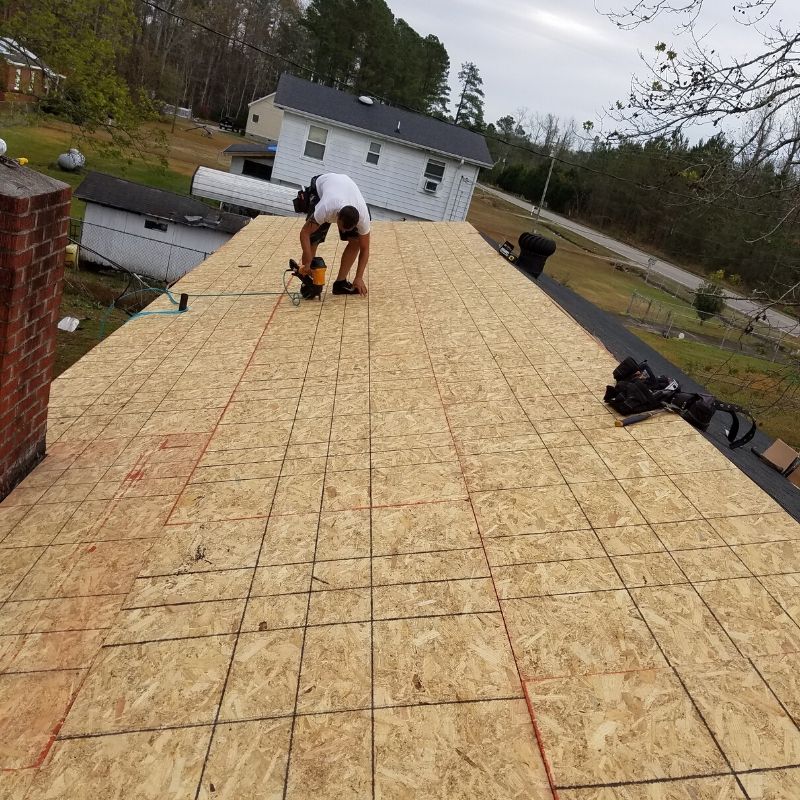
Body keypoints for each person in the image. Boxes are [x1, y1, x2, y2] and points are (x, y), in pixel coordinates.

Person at [299, 173, 371, 295]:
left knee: (356, 242)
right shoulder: (326, 207)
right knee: (313, 239)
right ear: (337, 217)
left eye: (347, 230)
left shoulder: (363, 217)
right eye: (342, 227)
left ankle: (340, 283)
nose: (343, 231)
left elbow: (365, 248)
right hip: (321, 185)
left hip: (344, 187)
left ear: (356, 223)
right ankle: (309, 281)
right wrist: (308, 262)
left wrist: (359, 277)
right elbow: (304, 233)